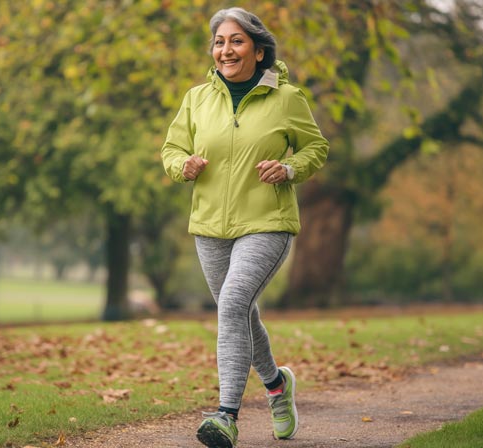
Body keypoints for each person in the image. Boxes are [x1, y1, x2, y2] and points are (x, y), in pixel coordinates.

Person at [160, 7, 329, 448]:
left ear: (258, 49)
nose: (225, 49)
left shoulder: (287, 98)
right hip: (210, 225)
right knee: (239, 313)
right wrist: (185, 165)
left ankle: (226, 417)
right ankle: (277, 386)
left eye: (235, 41)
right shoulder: (197, 98)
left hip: (267, 222)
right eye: (219, 42)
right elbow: (171, 148)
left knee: (233, 302)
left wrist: (289, 167)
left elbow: (316, 147)